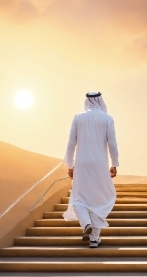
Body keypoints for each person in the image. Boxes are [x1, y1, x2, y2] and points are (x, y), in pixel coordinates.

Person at [62, 92, 119, 248]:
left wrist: (70, 164)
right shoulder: (107, 118)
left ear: (87, 101)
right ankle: (94, 237)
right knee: (100, 199)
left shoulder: (78, 117)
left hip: (81, 163)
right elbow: (112, 144)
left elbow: (70, 143)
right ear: (100, 101)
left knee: (78, 197)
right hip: (100, 163)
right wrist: (114, 164)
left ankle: (86, 224)